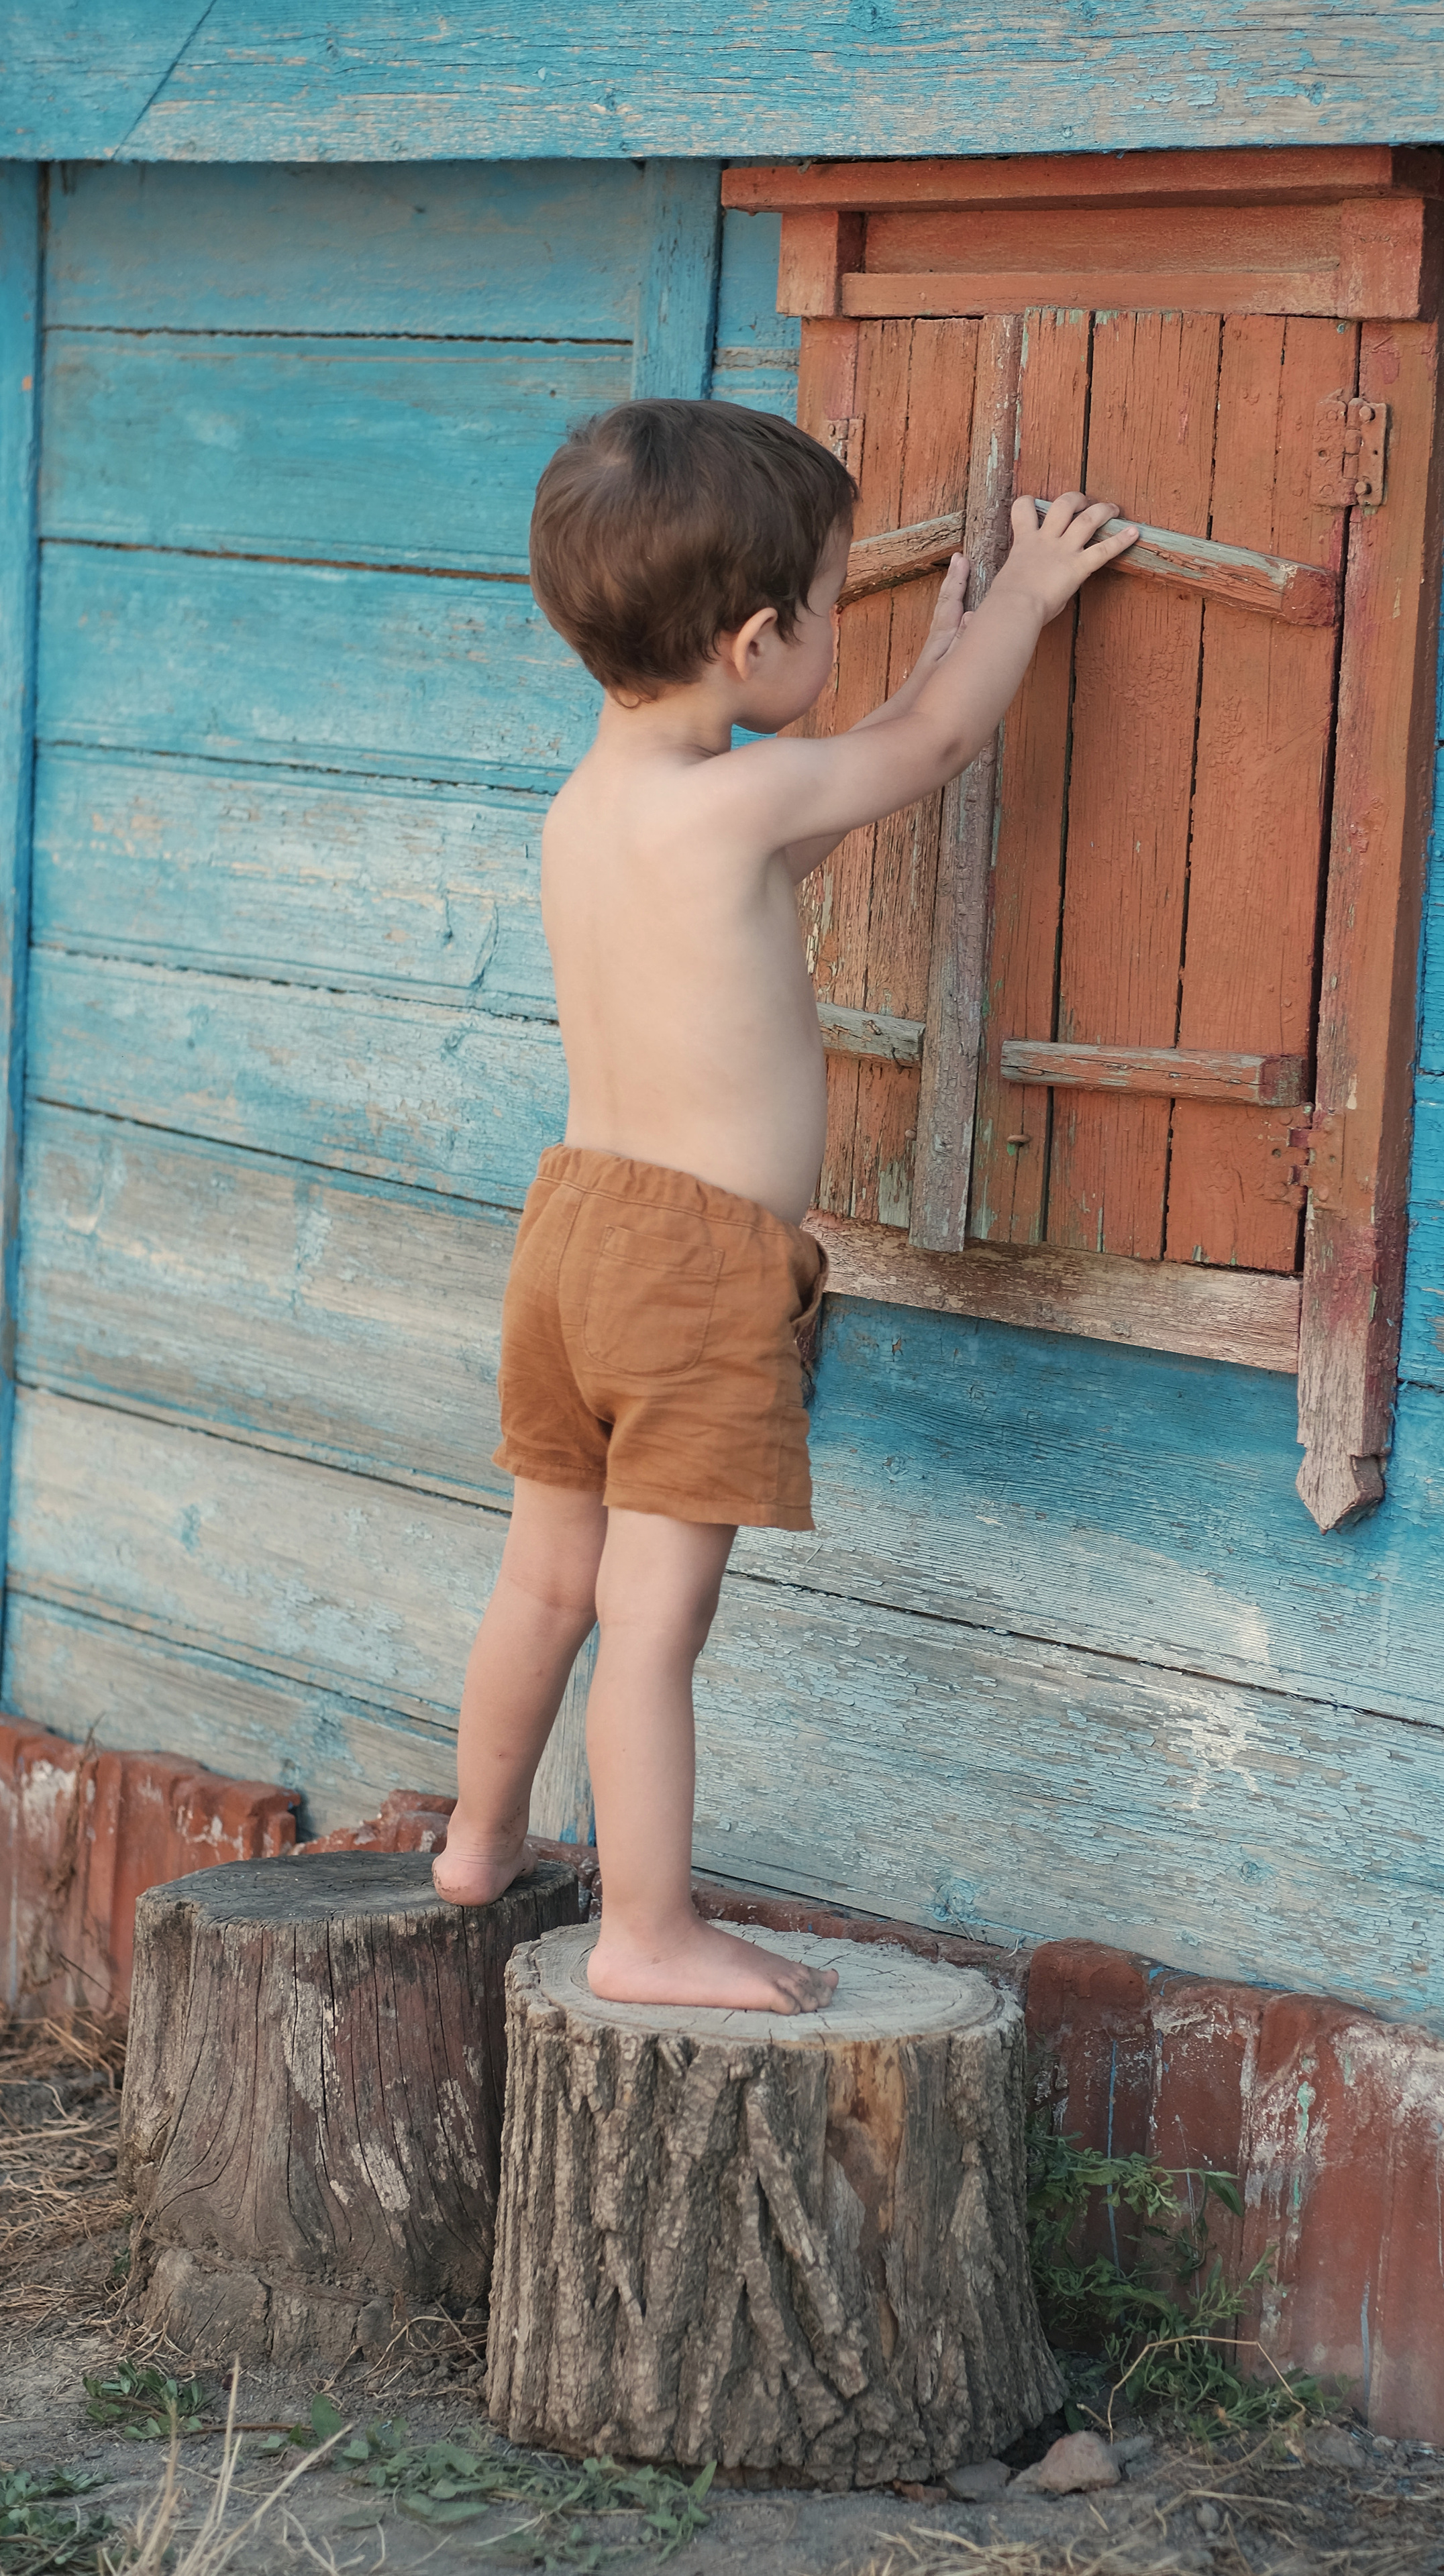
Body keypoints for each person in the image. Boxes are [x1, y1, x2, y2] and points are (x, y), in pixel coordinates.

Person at [431, 397, 1135, 2012]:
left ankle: (475, 1842)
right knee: (653, 1618)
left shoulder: (594, 809)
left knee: (546, 1578)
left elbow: (828, 804)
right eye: (824, 607)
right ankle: (645, 1930)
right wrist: (1023, 601)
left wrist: (929, 662)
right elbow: (925, 754)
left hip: (567, 1236)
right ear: (754, 643)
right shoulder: (739, 802)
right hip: (692, 1266)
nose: (829, 629)